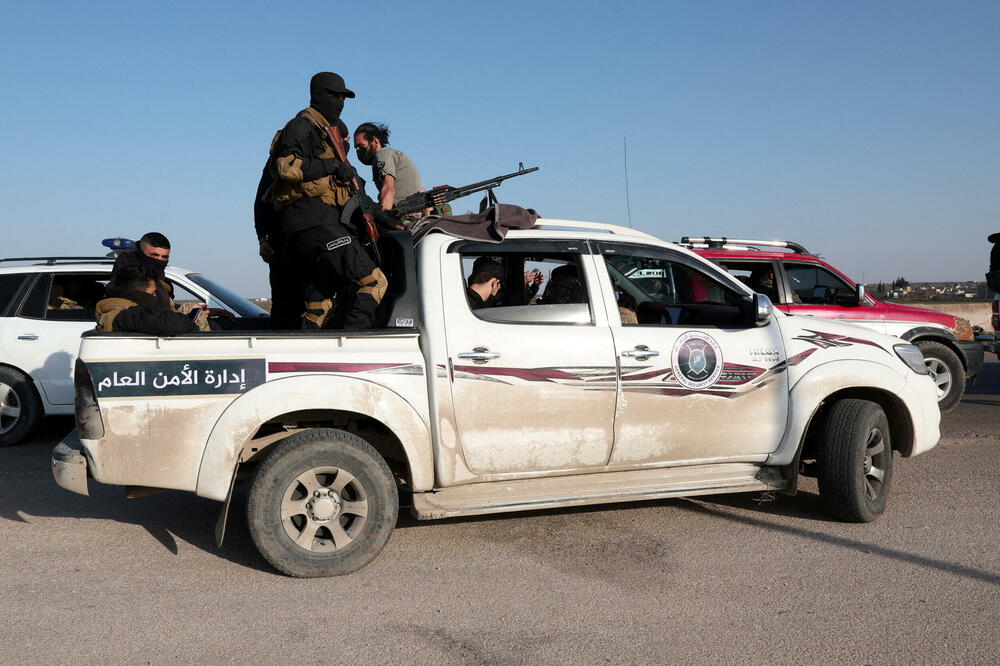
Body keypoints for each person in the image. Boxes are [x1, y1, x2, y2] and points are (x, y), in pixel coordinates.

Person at [264, 72, 387, 329]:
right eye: (334, 96)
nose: (340, 102)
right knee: (373, 281)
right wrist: (331, 165)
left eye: (343, 97)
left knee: (319, 308)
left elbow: (354, 194)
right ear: (318, 95)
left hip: (318, 225)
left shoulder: (325, 132)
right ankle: (351, 350)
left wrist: (388, 218)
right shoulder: (303, 126)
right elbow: (286, 166)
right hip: (311, 222)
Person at [353, 122, 430, 225]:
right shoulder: (392, 154)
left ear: (375, 141)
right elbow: (419, 188)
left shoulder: (382, 155)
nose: (358, 150)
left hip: (404, 218)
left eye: (361, 146)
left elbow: (388, 188)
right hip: (412, 218)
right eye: (356, 148)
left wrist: (384, 221)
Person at [96, 265, 206, 335]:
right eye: (152, 293)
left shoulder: (122, 309)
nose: (155, 296)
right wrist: (191, 325)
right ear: (138, 293)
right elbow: (163, 322)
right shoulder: (124, 314)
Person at [108, 232, 174, 311]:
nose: (159, 260)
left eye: (164, 257)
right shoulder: (128, 282)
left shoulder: (160, 279)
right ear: (142, 253)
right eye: (154, 255)